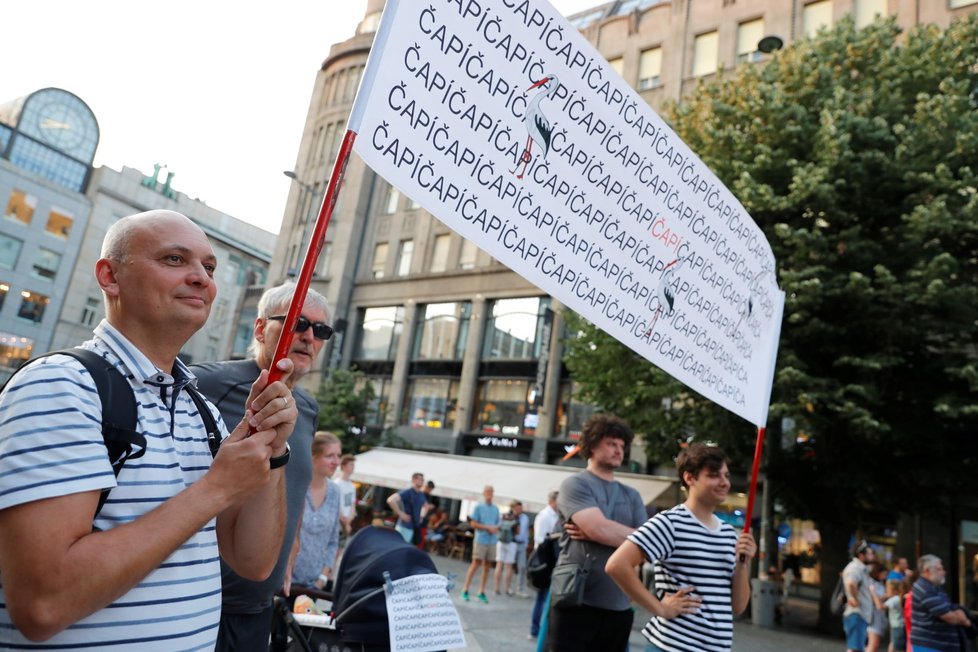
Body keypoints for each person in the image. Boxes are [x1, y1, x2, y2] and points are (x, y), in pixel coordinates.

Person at [0, 210, 297, 649]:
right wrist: (215, 489)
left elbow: (253, 562)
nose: (201, 278)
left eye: (209, 267)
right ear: (110, 277)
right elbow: (44, 604)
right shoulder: (60, 386)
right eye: (175, 259)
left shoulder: (202, 411)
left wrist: (271, 447)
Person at [193, 281, 331, 651]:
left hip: (257, 609)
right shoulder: (202, 383)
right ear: (260, 329)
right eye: (297, 323)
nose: (308, 337)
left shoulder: (307, 407)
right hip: (198, 603)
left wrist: (292, 543)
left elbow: (296, 481)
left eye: (320, 331)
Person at [606, 442, 757, 652]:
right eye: (714, 475)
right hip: (672, 646)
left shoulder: (729, 534)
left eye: (726, 475)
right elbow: (616, 565)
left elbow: (738, 607)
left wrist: (743, 565)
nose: (724, 482)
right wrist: (660, 608)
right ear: (689, 478)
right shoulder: (671, 523)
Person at [547, 414, 647, 652]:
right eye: (611, 443)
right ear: (592, 446)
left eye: (622, 446)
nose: (618, 450)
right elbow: (600, 529)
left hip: (619, 605)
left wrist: (599, 532)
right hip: (575, 602)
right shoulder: (575, 484)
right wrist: (606, 533)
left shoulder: (632, 495)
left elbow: (647, 546)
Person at [288, 432, 342, 590]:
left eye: (338, 455)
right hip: (285, 584)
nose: (336, 461)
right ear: (313, 456)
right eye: (330, 456)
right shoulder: (294, 487)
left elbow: (333, 541)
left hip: (315, 587)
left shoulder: (335, 492)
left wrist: (323, 577)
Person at [910, 554, 974, 652]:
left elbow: (949, 608)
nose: (944, 572)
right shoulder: (925, 588)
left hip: (937, 645)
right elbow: (949, 617)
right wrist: (964, 620)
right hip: (932, 645)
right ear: (927, 571)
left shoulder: (933, 587)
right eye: (940, 569)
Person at [461, 484, 501, 603]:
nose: (489, 494)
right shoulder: (478, 507)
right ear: (484, 493)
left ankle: (481, 591)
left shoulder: (496, 509)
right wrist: (488, 527)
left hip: (492, 540)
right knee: (476, 563)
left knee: (487, 566)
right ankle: (465, 589)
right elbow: (473, 524)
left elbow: (498, 524)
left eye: (491, 492)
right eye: (487, 492)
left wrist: (495, 528)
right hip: (481, 539)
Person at [529, 490, 560, 640]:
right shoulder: (545, 516)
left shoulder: (556, 516)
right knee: (542, 598)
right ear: (553, 501)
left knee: (546, 598)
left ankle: (541, 630)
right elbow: (540, 541)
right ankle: (535, 629)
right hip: (544, 563)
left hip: (552, 562)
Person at [844, 541, 878, 652]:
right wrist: (854, 598)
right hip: (857, 613)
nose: (872, 556)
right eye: (869, 554)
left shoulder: (861, 568)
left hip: (860, 614)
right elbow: (850, 583)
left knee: (856, 647)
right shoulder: (855, 568)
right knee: (854, 648)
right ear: (861, 555)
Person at [387, 472, 427, 545]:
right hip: (404, 526)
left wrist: (422, 516)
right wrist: (401, 514)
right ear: (414, 480)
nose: (422, 481)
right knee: (399, 548)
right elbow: (391, 500)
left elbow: (425, 506)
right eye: (420, 479)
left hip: (414, 527)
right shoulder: (408, 492)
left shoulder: (421, 494)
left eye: (423, 479)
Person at [494, 508, 519, 595]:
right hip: (511, 543)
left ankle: (496, 588)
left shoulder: (502, 521)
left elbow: (496, 529)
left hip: (501, 543)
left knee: (499, 565)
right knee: (508, 567)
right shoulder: (514, 522)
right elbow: (517, 532)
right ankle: (507, 589)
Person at [868, 562, 890, 652]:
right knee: (873, 644)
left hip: (880, 616)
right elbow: (873, 600)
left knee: (875, 644)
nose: (885, 576)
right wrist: (885, 596)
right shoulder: (871, 583)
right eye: (883, 574)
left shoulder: (881, 583)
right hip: (873, 616)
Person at [512, 500, 532, 597]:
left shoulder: (525, 518)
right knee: (509, 567)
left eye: (520, 508)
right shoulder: (511, 517)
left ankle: (519, 589)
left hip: (522, 544)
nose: (519, 510)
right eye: (517, 508)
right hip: (512, 543)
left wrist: (526, 544)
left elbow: (526, 532)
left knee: (522, 567)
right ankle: (508, 587)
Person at [336, 454, 357, 538]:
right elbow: (335, 504)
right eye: (351, 464)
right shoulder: (336, 484)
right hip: (337, 522)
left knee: (342, 547)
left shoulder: (352, 485)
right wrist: (345, 522)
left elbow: (352, 504)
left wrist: (348, 521)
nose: (353, 467)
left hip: (347, 522)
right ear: (343, 466)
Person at [884, 579, 908, 652]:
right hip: (899, 626)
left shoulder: (894, 599)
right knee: (894, 644)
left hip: (897, 627)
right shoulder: (899, 598)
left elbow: (880, 607)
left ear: (894, 591)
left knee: (898, 648)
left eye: (887, 589)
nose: (886, 591)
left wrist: (873, 592)